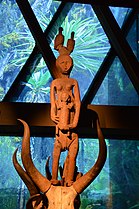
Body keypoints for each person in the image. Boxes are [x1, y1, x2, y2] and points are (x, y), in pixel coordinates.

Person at [50, 28, 81, 186]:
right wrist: (52, 114)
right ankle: (54, 177)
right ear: (57, 64)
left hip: (71, 129)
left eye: (68, 62)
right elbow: (53, 103)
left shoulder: (73, 82)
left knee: (72, 155)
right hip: (59, 128)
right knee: (56, 154)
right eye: (62, 63)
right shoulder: (55, 83)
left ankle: (69, 179)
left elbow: (78, 103)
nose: (66, 66)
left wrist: (74, 121)